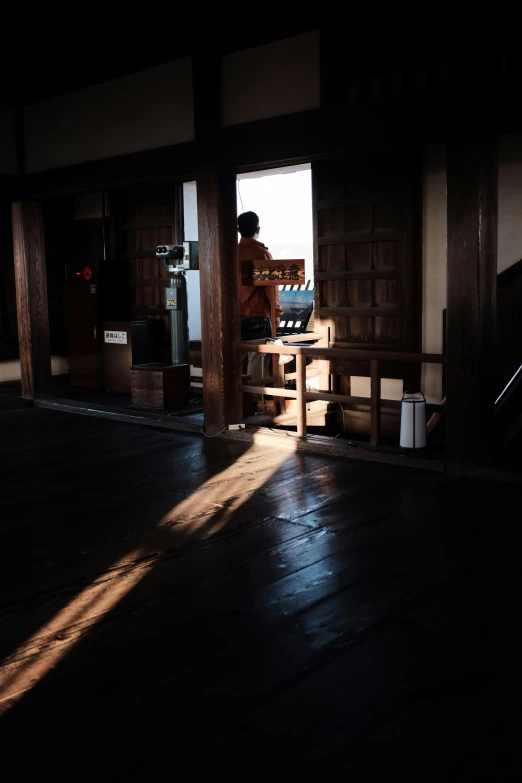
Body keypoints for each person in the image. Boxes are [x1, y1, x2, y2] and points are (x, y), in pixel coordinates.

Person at [238, 211, 282, 382]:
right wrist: (276, 314)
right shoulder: (261, 254)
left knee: (238, 358)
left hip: (233, 316)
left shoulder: (229, 253)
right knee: (257, 357)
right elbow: (271, 289)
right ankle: (257, 401)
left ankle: (241, 401)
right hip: (257, 315)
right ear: (258, 229)